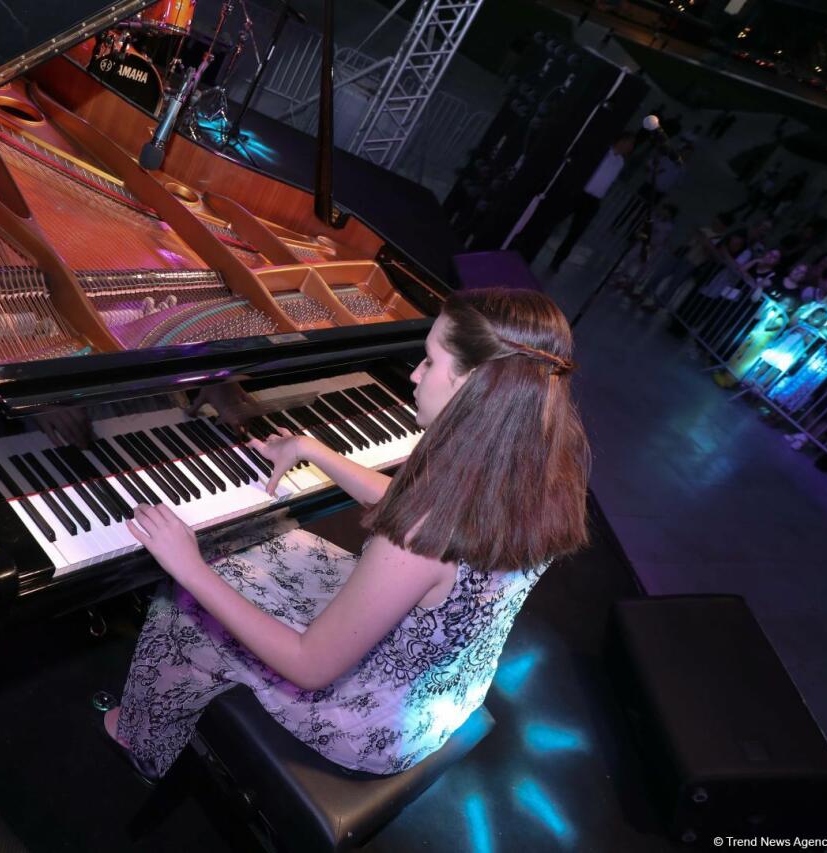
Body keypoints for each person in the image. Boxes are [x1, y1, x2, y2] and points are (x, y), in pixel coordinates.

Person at [102, 289, 591, 780]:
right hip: (446, 680)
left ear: (471, 382)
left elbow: (309, 666)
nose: (415, 375)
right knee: (250, 542)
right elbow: (412, 509)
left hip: (373, 717)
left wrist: (189, 568)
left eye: (429, 361)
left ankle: (141, 742)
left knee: (185, 607)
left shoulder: (422, 530)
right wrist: (313, 450)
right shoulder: (538, 464)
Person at [519, 132, 635, 273]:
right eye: (629, 143)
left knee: (575, 234)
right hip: (580, 193)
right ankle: (528, 249)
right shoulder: (604, 153)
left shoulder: (620, 162)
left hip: (593, 200)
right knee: (553, 221)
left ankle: (557, 262)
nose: (630, 147)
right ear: (622, 141)